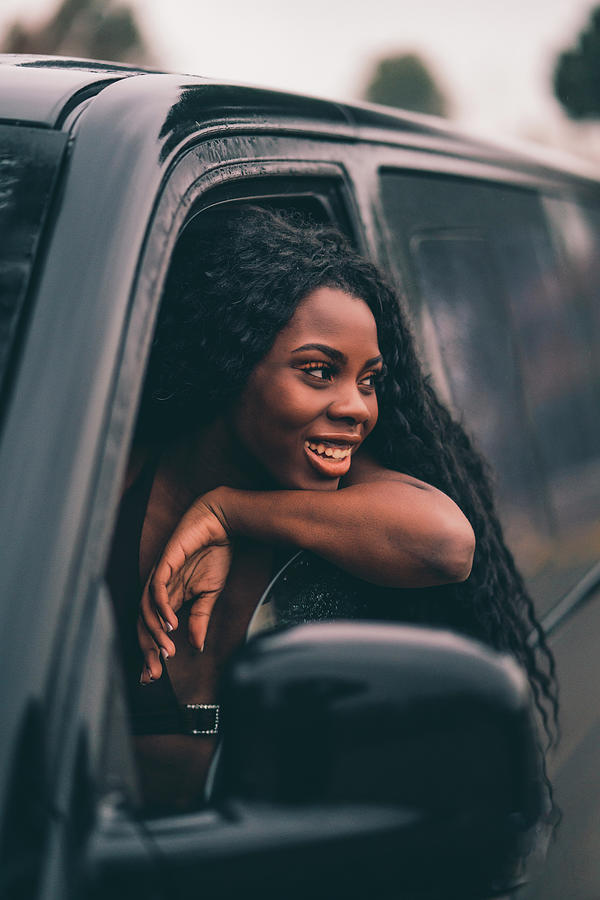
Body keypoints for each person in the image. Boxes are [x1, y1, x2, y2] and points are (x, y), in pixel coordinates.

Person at [107, 206, 557, 813]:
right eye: (318, 372)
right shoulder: (109, 481)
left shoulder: (338, 481)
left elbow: (447, 544)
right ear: (229, 360)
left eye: (368, 379)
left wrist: (232, 513)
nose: (356, 408)